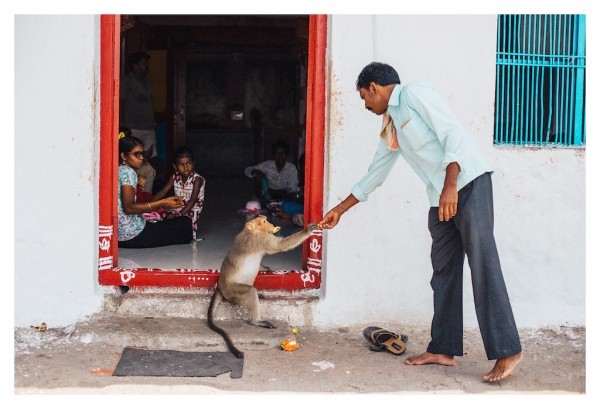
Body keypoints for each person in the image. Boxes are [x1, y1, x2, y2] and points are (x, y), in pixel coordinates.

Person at [319, 62, 523, 383]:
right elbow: (376, 172)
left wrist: (450, 185)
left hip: (467, 185)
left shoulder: (414, 94)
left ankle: (508, 350)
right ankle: (442, 348)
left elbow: (451, 131)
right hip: (438, 198)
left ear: (375, 87)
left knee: (483, 265)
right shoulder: (391, 123)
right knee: (443, 273)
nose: (365, 106)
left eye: (364, 98)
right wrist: (341, 209)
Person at [118, 134, 193, 248]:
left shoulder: (118, 169)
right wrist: (162, 203)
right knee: (185, 223)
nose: (142, 158)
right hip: (133, 235)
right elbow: (129, 208)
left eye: (142, 154)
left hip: (120, 234)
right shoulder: (128, 172)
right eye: (137, 154)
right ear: (123, 156)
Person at [120, 51, 157, 195]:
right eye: (144, 63)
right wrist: (124, 127)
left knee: (151, 160)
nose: (147, 66)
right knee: (133, 161)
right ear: (135, 65)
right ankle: (133, 195)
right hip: (133, 128)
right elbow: (120, 103)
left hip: (148, 127)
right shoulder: (127, 81)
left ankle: (147, 196)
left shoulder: (147, 80)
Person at [153, 146, 206, 241]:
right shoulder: (174, 177)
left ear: (193, 164)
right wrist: (150, 205)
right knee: (163, 214)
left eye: (188, 163)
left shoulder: (197, 179)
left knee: (185, 224)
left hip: (193, 208)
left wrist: (179, 214)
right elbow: (163, 192)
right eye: (181, 165)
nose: (185, 168)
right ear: (175, 167)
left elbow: (193, 200)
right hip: (179, 205)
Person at [244, 140, 299, 205]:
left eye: (283, 153)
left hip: (284, 195)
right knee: (254, 202)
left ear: (287, 155)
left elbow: (293, 189)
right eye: (277, 153)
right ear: (273, 155)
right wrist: (256, 171)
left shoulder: (291, 168)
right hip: (268, 194)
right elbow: (247, 171)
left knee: (293, 203)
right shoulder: (267, 165)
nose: (280, 156)